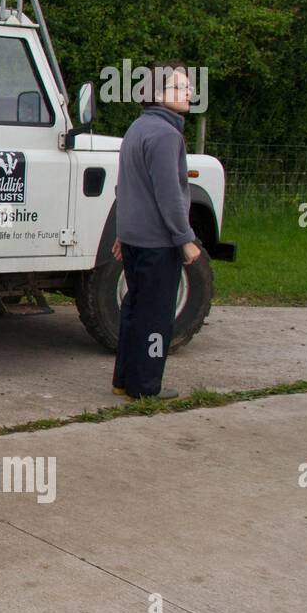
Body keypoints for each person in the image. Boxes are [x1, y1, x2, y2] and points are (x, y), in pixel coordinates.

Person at [111, 60, 201, 400]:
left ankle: (124, 379)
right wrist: (185, 239)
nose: (189, 92)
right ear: (156, 94)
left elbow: (125, 187)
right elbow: (169, 194)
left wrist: (122, 232)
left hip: (134, 239)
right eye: (179, 87)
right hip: (157, 243)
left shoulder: (138, 127)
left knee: (134, 310)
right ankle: (146, 387)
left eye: (189, 86)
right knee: (156, 317)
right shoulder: (166, 134)